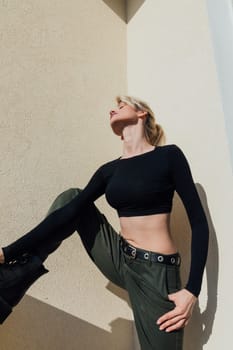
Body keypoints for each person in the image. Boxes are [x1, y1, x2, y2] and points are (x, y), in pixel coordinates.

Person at [0, 95, 209, 350]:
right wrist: (6, 252)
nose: (113, 109)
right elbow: (67, 213)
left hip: (156, 273)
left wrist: (192, 291)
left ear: (142, 113)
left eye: (121, 106)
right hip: (120, 258)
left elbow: (198, 222)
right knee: (72, 198)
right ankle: (16, 274)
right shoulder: (109, 171)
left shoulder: (169, 156)